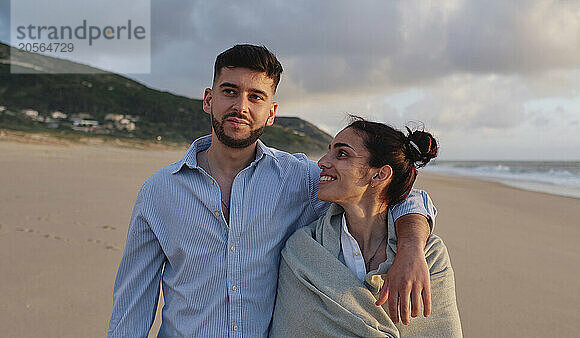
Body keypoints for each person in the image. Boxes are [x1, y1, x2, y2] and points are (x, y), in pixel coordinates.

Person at [107, 45, 437, 337]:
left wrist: (410, 248)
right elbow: (134, 299)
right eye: (229, 91)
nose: (241, 106)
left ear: (272, 113)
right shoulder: (158, 191)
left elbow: (396, 192)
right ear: (209, 99)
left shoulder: (300, 179)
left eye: (256, 96)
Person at [270, 117, 462, 337]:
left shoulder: (429, 255)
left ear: (380, 174)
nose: (322, 161)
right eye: (329, 151)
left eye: (342, 154)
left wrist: (411, 246)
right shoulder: (302, 251)